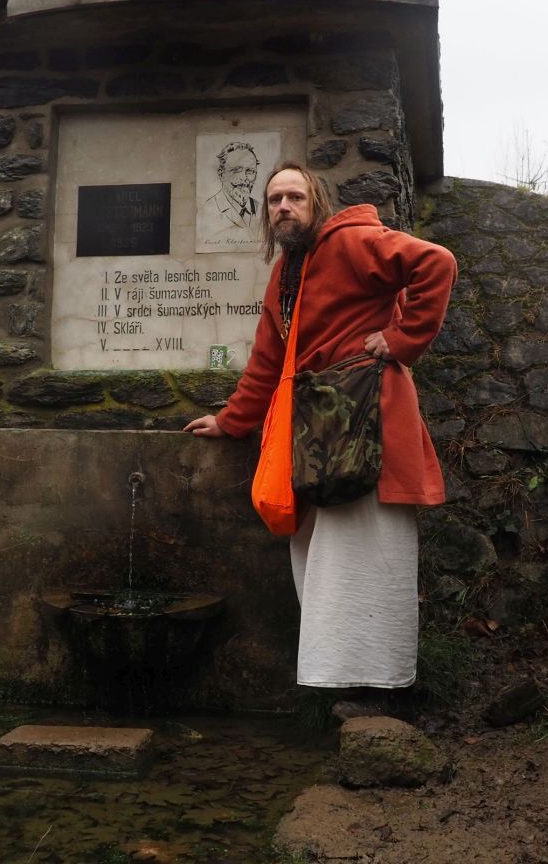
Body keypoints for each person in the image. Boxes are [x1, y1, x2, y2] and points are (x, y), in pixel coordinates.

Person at [185, 161, 457, 704]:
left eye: (295, 197)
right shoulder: (286, 273)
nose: (283, 207)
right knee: (318, 550)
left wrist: (401, 339)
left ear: (317, 204)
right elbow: (269, 359)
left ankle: (378, 689)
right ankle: (338, 684)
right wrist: (232, 420)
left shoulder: (352, 240)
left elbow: (436, 263)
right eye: (273, 200)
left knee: (368, 544)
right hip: (314, 431)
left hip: (366, 421)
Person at [206, 141, 261, 228]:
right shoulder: (206, 211)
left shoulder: (262, 210)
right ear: (221, 174)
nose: (244, 178)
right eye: (236, 170)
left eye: (250, 171)